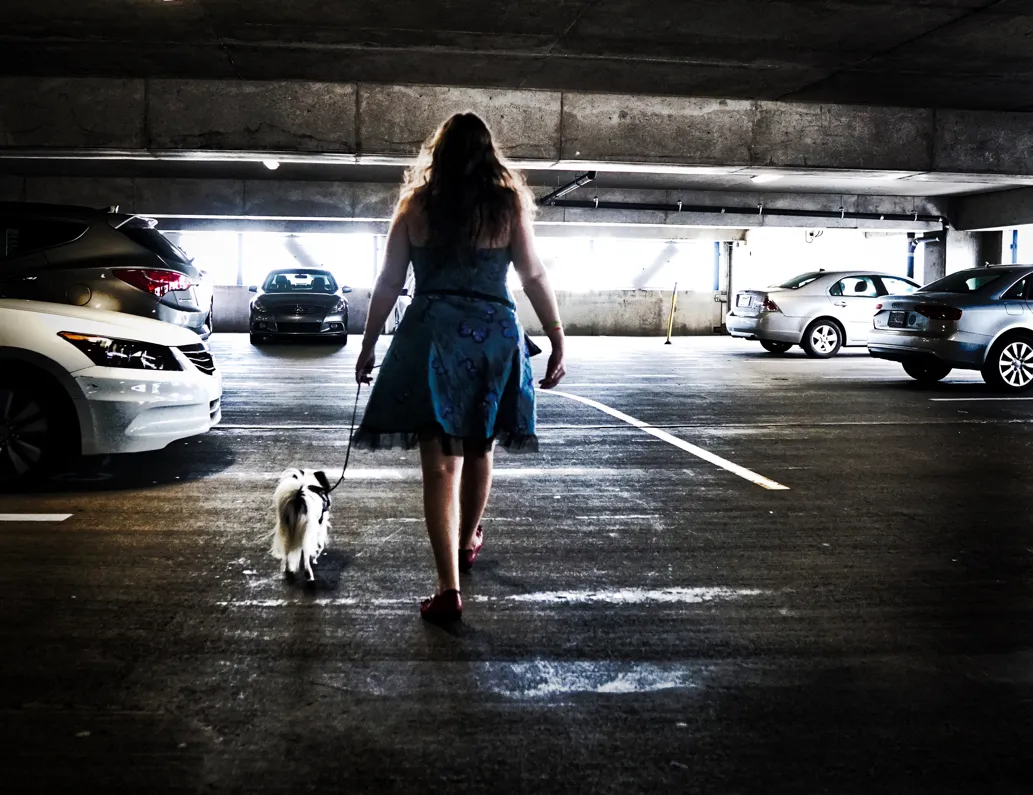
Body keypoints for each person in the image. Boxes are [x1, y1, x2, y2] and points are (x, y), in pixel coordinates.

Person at [353, 112, 566, 623]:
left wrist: (366, 345)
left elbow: (388, 283)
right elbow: (533, 274)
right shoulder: (507, 205)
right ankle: (469, 539)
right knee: (480, 447)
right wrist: (557, 337)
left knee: (440, 464)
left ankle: (448, 588)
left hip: (434, 336)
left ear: (439, 153)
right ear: (487, 154)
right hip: (493, 335)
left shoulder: (416, 206)